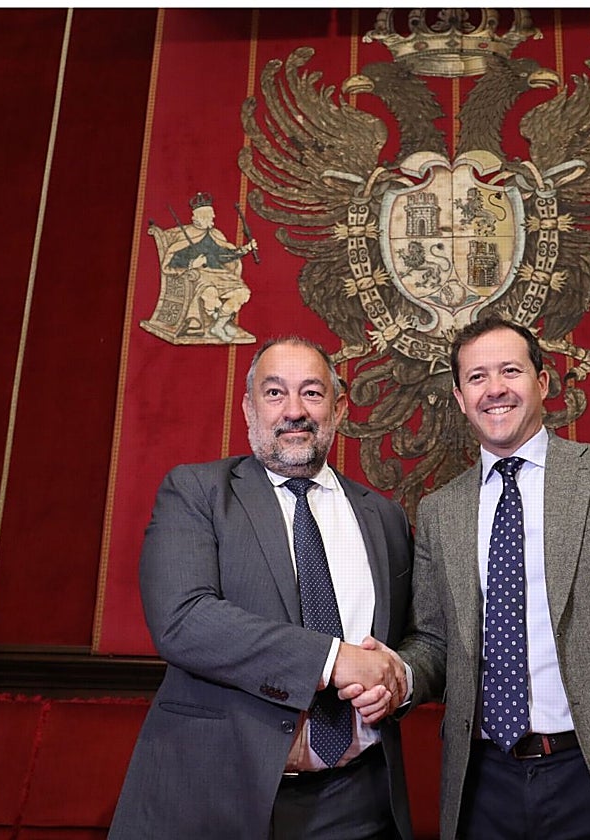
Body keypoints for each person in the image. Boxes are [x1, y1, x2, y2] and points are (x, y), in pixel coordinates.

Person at [375, 316, 590, 840]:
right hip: (484, 784)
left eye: (510, 371)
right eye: (476, 378)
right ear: (458, 397)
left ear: (542, 383)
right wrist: (397, 674)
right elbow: (434, 641)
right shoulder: (439, 512)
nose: (494, 389)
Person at [109, 336, 430, 839]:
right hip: (216, 797)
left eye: (312, 393)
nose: (294, 411)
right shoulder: (196, 492)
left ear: (339, 407)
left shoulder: (384, 516)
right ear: (249, 407)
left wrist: (399, 678)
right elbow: (182, 620)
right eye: (275, 393)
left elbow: (418, 639)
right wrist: (332, 659)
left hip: (359, 802)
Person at [161, 191, 257, 343]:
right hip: (198, 275)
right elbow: (172, 261)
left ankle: (219, 325)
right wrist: (193, 264)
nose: (213, 218)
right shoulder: (185, 235)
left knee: (242, 293)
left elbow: (225, 254)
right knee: (211, 292)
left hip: (219, 274)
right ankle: (219, 321)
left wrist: (245, 249)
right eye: (210, 216)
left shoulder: (215, 234)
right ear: (201, 217)